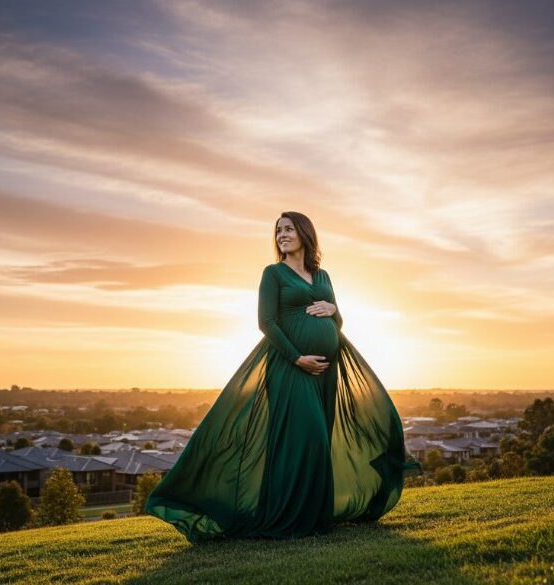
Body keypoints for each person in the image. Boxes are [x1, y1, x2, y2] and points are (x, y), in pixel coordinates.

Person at [145, 211, 422, 543]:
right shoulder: (273, 273)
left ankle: (315, 517)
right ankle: (289, 518)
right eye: (278, 231)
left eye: (288, 229)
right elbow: (266, 322)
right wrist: (297, 358)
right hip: (290, 369)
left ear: (305, 233)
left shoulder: (323, 276)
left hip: (325, 373)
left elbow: (338, 321)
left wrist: (334, 311)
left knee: (320, 443)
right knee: (306, 439)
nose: (282, 235)